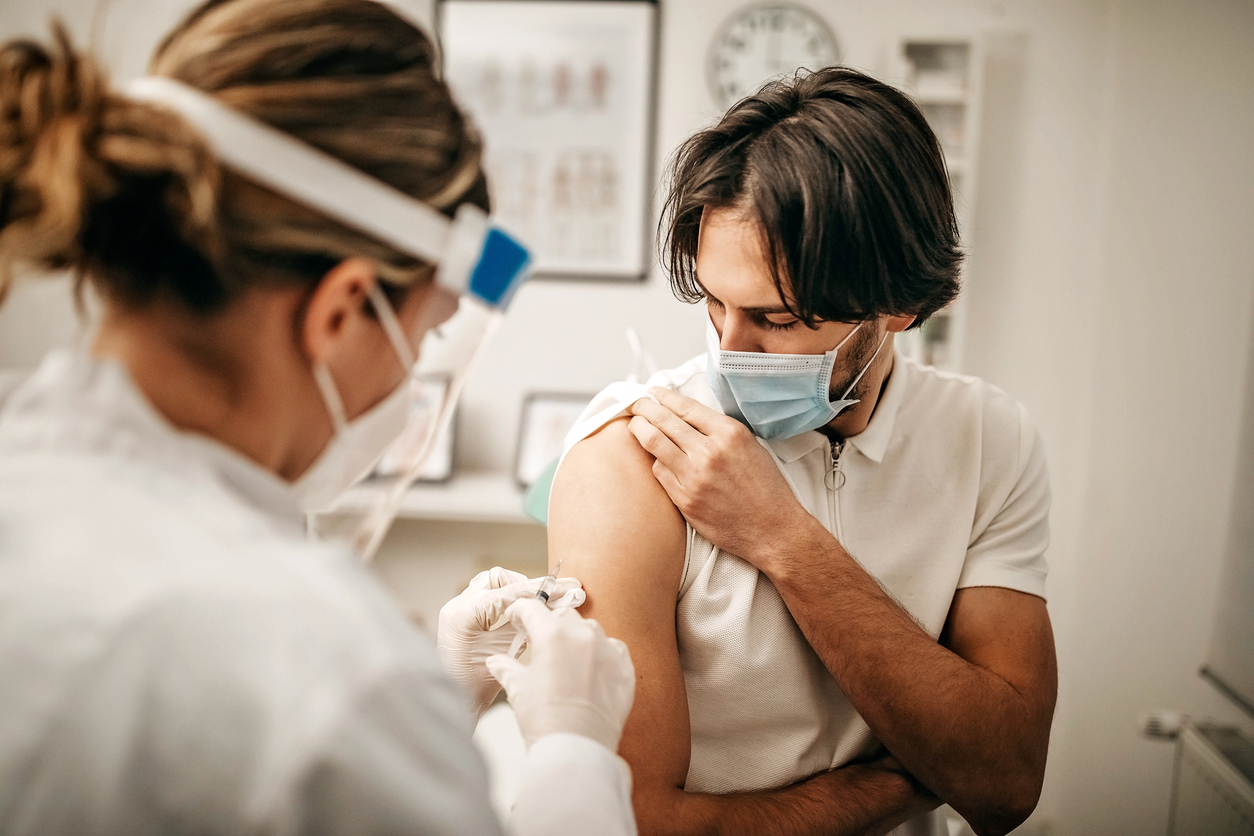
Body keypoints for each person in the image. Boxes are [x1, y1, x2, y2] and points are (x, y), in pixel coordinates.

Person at [0, 3, 636, 834]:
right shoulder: (328, 665)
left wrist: (429, 700)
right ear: (339, 312)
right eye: (425, 334)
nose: (416, 374)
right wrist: (574, 754)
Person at [550, 67, 1057, 836]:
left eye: (776, 320)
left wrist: (782, 539)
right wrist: (908, 781)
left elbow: (1008, 781)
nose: (727, 352)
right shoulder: (628, 460)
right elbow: (638, 821)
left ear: (900, 306)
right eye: (713, 304)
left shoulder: (990, 439)